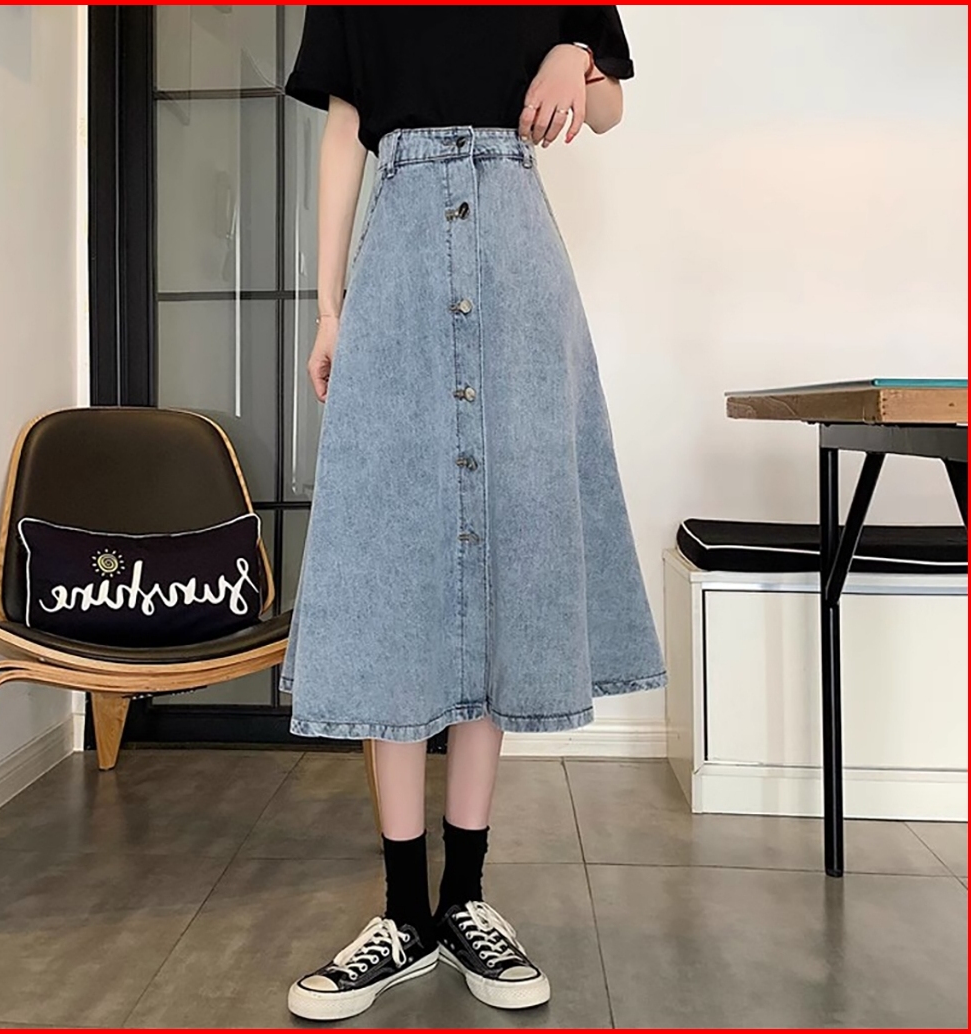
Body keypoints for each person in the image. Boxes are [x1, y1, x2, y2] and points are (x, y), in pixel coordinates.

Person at [281, 6, 665, 1021]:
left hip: (515, 265)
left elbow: (607, 112)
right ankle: (403, 911)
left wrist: (575, 55)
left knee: (493, 561)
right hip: (399, 265)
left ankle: (463, 898)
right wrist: (328, 307)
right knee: (398, 566)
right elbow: (343, 131)